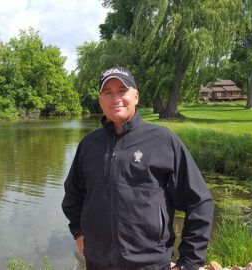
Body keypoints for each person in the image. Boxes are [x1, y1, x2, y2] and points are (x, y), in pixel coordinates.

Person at [61, 67, 214, 270]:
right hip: (97, 263)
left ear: (135, 96)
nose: (115, 98)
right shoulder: (89, 145)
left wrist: (187, 263)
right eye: (108, 92)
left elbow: (200, 202)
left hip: (150, 264)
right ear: (100, 100)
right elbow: (73, 196)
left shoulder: (163, 141)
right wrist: (78, 232)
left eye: (122, 91)